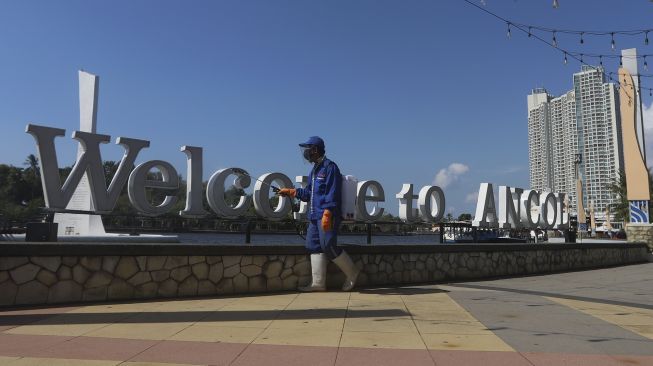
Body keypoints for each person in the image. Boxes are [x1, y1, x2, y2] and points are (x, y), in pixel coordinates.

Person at [278, 136, 360, 292]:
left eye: (307, 149)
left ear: (315, 150)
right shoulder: (314, 170)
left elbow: (333, 192)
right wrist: (292, 192)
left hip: (327, 214)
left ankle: (352, 273)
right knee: (313, 245)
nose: (306, 153)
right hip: (314, 216)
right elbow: (309, 193)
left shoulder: (330, 167)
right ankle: (318, 283)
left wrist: (328, 213)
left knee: (328, 245)